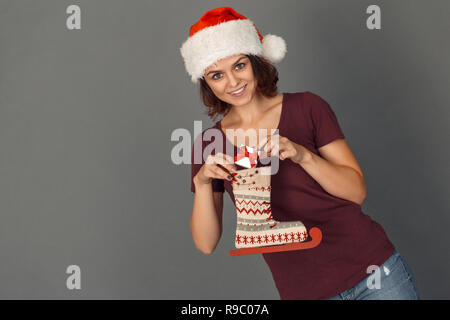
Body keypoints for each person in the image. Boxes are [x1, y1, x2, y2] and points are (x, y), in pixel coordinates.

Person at [180, 6, 420, 300]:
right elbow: (206, 243)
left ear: (256, 62)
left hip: (375, 272)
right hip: (305, 292)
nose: (232, 82)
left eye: (239, 66)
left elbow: (356, 192)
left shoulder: (307, 107)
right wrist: (203, 182)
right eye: (217, 75)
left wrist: (303, 155)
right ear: (206, 83)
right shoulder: (209, 144)